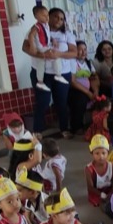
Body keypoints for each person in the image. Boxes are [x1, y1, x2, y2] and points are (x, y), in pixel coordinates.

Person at [25, 8, 77, 138]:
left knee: (61, 102)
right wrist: (41, 54)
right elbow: (25, 47)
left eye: (61, 18)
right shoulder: (37, 29)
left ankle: (64, 128)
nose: (58, 20)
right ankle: (37, 130)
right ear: (48, 16)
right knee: (42, 101)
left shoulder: (67, 34)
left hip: (62, 73)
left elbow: (74, 53)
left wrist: (59, 54)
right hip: (42, 73)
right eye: (55, 17)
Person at [28, 4, 68, 92]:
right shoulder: (36, 26)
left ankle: (40, 81)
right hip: (41, 47)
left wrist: (53, 40)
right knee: (55, 56)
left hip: (45, 46)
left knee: (41, 64)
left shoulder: (46, 26)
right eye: (43, 15)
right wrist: (32, 46)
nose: (46, 17)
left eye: (47, 15)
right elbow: (31, 35)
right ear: (36, 16)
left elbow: (47, 36)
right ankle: (58, 75)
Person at [68, 40, 98, 135]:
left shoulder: (88, 63)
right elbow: (73, 81)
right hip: (75, 90)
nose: (83, 52)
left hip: (88, 89)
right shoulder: (71, 62)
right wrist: (88, 93)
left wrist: (95, 91)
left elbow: (94, 78)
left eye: (85, 49)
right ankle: (77, 127)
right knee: (80, 99)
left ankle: (97, 123)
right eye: (80, 50)